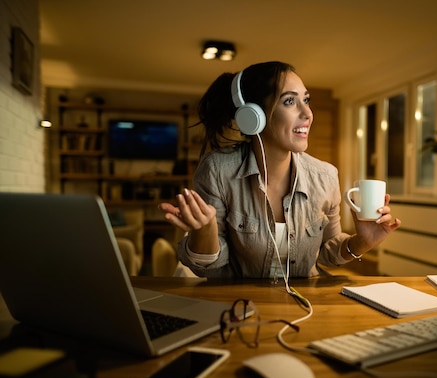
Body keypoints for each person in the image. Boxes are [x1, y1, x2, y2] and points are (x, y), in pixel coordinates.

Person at [159, 61, 400, 280]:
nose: (307, 114)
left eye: (306, 100)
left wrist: (361, 243)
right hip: (237, 306)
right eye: (289, 101)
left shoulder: (325, 177)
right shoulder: (218, 171)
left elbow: (327, 254)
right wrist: (205, 231)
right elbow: (207, 268)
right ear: (253, 116)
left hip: (306, 308)